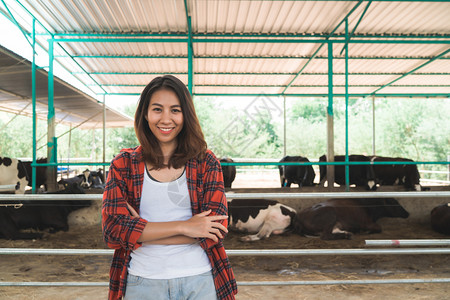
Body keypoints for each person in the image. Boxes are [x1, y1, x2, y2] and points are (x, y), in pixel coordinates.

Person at [102, 75, 237, 300]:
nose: (166, 119)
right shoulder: (123, 164)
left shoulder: (206, 162)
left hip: (200, 279)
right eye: (157, 109)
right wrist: (188, 227)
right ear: (145, 114)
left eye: (175, 110)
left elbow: (216, 230)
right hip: (143, 280)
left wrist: (140, 232)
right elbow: (113, 232)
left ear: (186, 115)